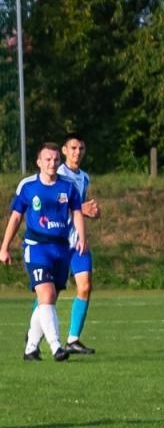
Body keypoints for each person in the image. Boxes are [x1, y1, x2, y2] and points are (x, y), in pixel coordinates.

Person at [2, 142, 86, 362]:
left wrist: (82, 238)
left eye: (56, 160)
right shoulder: (28, 186)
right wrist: (4, 247)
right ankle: (57, 346)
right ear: (39, 162)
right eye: (47, 160)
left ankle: (30, 348)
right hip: (36, 247)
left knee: (48, 300)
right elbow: (16, 217)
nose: (52, 163)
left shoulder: (68, 186)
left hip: (61, 248)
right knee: (46, 295)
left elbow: (77, 213)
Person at [57, 133, 101, 353]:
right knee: (51, 291)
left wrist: (89, 211)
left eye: (81, 148)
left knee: (84, 287)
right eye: (73, 148)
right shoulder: (56, 175)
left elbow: (78, 209)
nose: (77, 152)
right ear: (64, 150)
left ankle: (73, 339)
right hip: (58, 242)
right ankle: (34, 332)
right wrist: (80, 209)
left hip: (78, 243)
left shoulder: (84, 177)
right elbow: (52, 206)